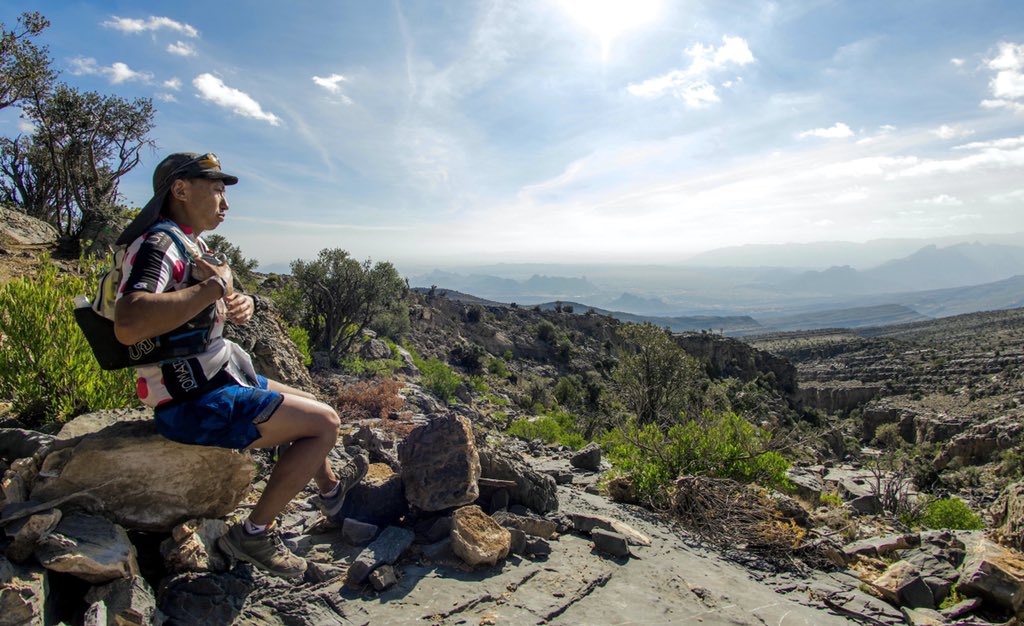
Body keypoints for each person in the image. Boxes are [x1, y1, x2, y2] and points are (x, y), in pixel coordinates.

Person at [114, 152, 367, 579]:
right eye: (215, 190)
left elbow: (210, 303)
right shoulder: (158, 244)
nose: (225, 203)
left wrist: (240, 302)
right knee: (323, 423)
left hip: (216, 375)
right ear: (180, 189)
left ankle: (332, 495)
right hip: (192, 398)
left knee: (307, 402)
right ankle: (254, 533)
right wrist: (213, 287)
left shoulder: (189, 242)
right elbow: (129, 321)